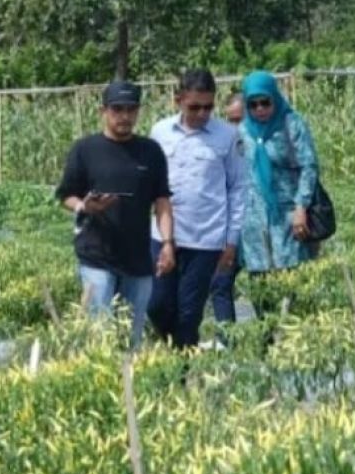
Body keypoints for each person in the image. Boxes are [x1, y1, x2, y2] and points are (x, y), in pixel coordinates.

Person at [56, 80, 175, 347]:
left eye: (130, 109)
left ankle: (129, 385)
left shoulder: (151, 151)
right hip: (96, 256)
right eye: (117, 109)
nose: (124, 116)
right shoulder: (85, 150)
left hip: (138, 259)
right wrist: (84, 206)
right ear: (103, 111)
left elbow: (162, 201)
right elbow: (65, 194)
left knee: (132, 338)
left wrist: (167, 243)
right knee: (100, 335)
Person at [146, 70, 244, 348]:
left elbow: (237, 188)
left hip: (206, 240)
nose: (202, 113)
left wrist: (231, 240)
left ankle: (180, 378)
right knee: (157, 305)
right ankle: (169, 352)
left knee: (189, 315)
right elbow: (152, 182)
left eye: (209, 107)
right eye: (194, 107)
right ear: (179, 100)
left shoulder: (227, 136)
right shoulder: (160, 131)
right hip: (164, 236)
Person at [237, 71, 322, 283]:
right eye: (253, 104)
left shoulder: (292, 124)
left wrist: (301, 207)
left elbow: (309, 166)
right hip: (255, 220)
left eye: (265, 102)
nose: (260, 109)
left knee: (292, 278)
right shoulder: (243, 131)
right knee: (261, 283)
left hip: (288, 215)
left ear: (275, 98)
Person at [209, 89, 245, 325]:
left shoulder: (263, 144)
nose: (235, 126)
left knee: (263, 285)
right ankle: (227, 339)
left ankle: (266, 342)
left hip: (259, 227)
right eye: (230, 120)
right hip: (230, 227)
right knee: (220, 283)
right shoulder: (224, 146)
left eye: (238, 119)